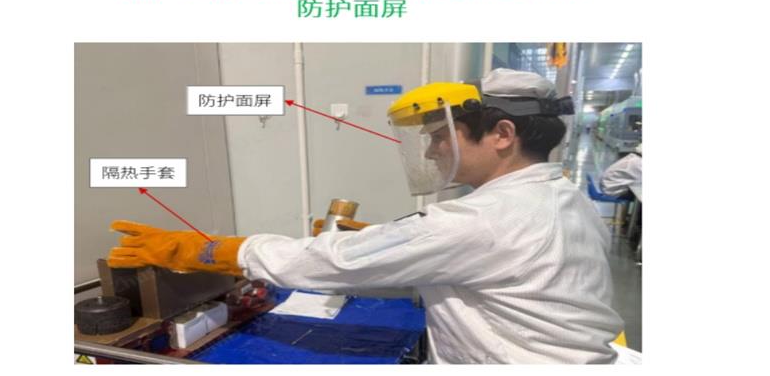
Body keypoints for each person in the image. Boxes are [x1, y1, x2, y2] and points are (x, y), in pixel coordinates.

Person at [108, 68, 624, 364]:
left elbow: (327, 263)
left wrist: (202, 249)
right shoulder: (561, 197)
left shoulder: (482, 219)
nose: (432, 151)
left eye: (441, 136)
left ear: (502, 135)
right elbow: (485, 266)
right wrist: (384, 240)